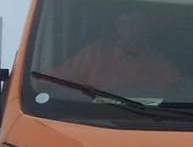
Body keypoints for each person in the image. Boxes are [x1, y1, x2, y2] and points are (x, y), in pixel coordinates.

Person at [50, 12, 179, 94]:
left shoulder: (159, 63)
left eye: (142, 23)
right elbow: (52, 80)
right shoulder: (94, 54)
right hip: (90, 119)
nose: (137, 29)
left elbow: (176, 95)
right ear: (117, 26)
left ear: (148, 29)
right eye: (130, 23)